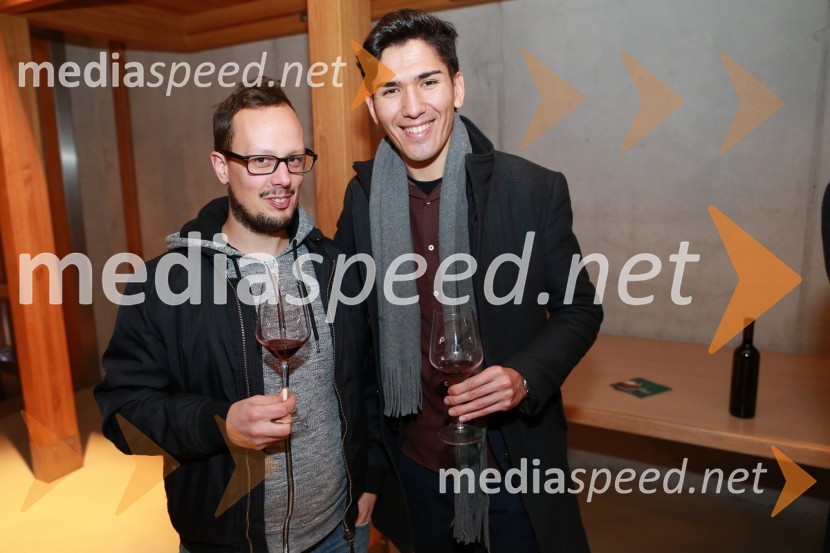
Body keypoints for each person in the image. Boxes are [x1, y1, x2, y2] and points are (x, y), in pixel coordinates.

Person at [335, 9, 603, 553]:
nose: (411, 108)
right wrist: (366, 472)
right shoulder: (361, 200)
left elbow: (580, 308)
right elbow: (352, 339)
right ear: (371, 107)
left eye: (428, 82)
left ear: (457, 87)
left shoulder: (533, 190)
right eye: (390, 90)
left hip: (511, 466)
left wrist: (523, 377)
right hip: (413, 469)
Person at [95, 81, 374, 553]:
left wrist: (369, 478)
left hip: (340, 532)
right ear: (222, 166)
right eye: (261, 160)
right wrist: (219, 424)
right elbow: (123, 416)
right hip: (226, 541)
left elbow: (363, 384)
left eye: (293, 158)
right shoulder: (163, 284)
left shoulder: (337, 268)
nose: (283, 178)